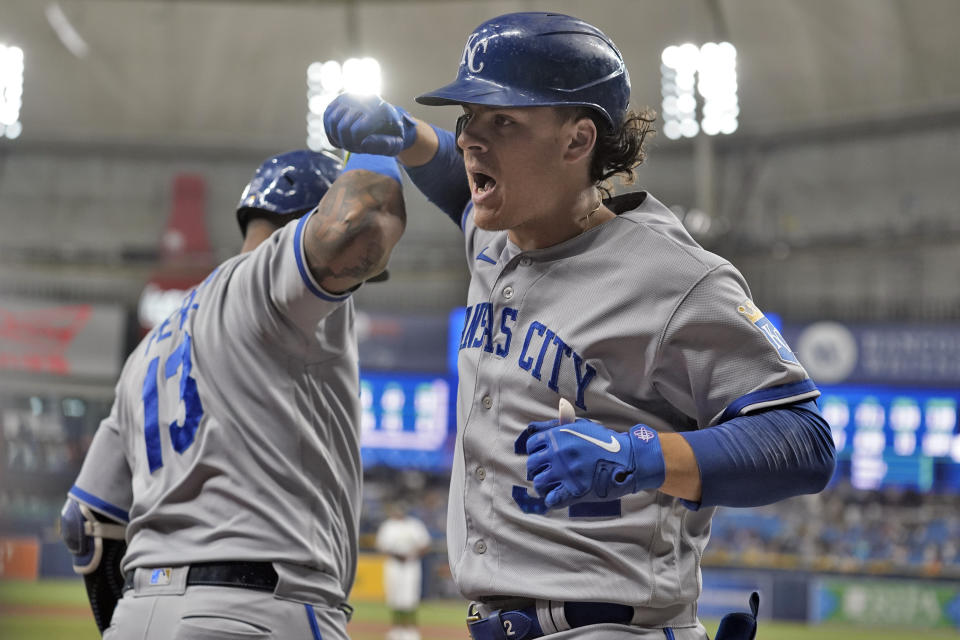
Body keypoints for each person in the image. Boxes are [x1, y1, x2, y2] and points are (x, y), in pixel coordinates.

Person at [322, 11, 836, 640]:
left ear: (577, 140)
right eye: (468, 122)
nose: (470, 140)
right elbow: (465, 188)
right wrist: (407, 136)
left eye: (503, 121)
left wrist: (641, 456)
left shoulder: (674, 276)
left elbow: (804, 441)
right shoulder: (497, 237)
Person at [58, 148, 406, 639]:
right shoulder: (266, 287)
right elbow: (357, 223)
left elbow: (83, 520)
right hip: (259, 609)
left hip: (138, 612)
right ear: (304, 222)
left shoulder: (148, 351)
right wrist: (376, 148)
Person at [375, 505, 432, 640]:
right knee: (394, 597)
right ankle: (397, 629)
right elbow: (381, 545)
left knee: (411, 598)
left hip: (411, 564)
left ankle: (411, 629)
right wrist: (396, 554)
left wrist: (412, 554)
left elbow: (425, 544)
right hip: (393, 564)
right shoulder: (388, 526)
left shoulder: (414, 525)